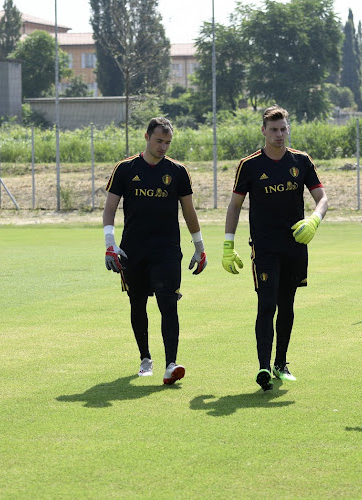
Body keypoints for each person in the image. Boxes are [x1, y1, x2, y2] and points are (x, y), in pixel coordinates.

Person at [222, 105, 328, 391]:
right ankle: (264, 367)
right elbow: (235, 205)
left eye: (283, 129)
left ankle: (281, 364)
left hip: (295, 246)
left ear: (288, 129)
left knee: (287, 305)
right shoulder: (250, 165)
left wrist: (314, 219)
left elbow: (322, 198)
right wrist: (227, 244)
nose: (279, 135)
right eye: (273, 130)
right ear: (263, 131)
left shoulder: (301, 161)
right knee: (266, 304)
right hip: (264, 247)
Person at [103, 117, 207, 385]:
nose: (163, 147)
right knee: (137, 303)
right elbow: (110, 208)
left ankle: (171, 364)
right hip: (133, 251)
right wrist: (109, 244)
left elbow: (188, 210)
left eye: (168, 142)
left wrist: (199, 247)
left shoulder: (178, 171)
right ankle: (145, 359)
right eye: (159, 141)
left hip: (168, 250)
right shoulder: (125, 169)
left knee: (168, 303)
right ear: (146, 137)